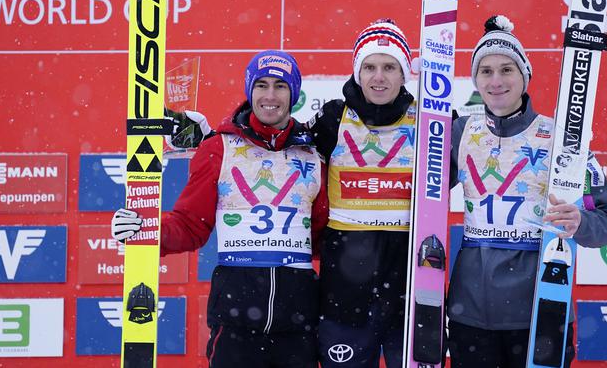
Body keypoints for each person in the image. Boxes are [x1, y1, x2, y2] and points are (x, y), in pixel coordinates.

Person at [111, 50, 329, 368]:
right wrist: (145, 230)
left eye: (281, 86)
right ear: (249, 89)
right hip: (235, 323)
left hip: (297, 325)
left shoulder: (313, 153)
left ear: (294, 93)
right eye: (262, 85)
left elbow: (326, 237)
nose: (270, 96)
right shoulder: (218, 147)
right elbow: (190, 226)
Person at [446, 15, 607, 368]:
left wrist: (579, 221)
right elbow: (418, 198)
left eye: (507, 70)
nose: (496, 81)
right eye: (486, 71)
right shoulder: (460, 132)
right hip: (471, 313)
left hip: (541, 307)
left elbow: (604, 225)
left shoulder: (562, 139)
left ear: (525, 75)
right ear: (475, 79)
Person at [306, 19, 416, 367]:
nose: (378, 76)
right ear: (357, 72)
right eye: (369, 66)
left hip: (409, 284)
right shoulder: (331, 118)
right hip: (345, 286)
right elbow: (277, 148)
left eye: (389, 67)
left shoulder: (431, 121)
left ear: (404, 74)